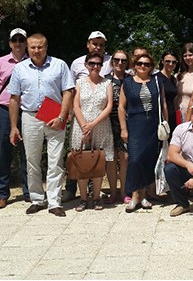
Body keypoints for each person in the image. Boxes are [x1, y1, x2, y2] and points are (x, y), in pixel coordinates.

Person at [8, 33, 75, 217]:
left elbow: (68, 91)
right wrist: (14, 127)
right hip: (30, 117)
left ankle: (54, 202)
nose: (36, 50)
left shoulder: (59, 65)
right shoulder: (20, 69)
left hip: (55, 115)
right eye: (33, 47)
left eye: (40, 47)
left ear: (46, 47)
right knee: (32, 160)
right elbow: (14, 98)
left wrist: (62, 116)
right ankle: (37, 199)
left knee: (56, 161)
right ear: (27, 49)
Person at [64, 30, 112, 202]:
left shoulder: (111, 61)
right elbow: (70, 91)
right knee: (78, 156)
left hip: (101, 119)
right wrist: (70, 114)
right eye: (94, 43)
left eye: (101, 44)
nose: (97, 47)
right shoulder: (76, 63)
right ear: (88, 44)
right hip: (80, 119)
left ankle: (95, 194)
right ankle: (73, 190)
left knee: (97, 156)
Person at [0, 28, 30, 208]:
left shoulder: (33, 62)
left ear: (26, 42)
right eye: (15, 40)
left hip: (26, 111)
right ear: (10, 43)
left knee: (28, 152)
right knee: (2, 152)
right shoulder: (0, 63)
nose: (18, 43)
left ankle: (29, 191)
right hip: (3, 110)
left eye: (21, 39)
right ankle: (2, 193)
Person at [118, 52, 167, 212]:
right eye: (139, 64)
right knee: (134, 160)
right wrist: (124, 129)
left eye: (146, 64)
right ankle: (134, 195)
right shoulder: (127, 82)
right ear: (134, 65)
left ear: (151, 67)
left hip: (152, 125)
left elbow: (163, 104)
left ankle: (144, 195)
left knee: (148, 160)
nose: (143, 66)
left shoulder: (157, 82)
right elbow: (121, 107)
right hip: (135, 124)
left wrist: (165, 126)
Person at [105, 50, 130, 203]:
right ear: (112, 61)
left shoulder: (131, 79)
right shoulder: (105, 80)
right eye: (116, 60)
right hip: (108, 122)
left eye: (123, 60)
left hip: (127, 123)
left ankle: (124, 192)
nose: (120, 63)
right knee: (111, 158)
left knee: (125, 157)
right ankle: (113, 192)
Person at [175, 43, 193, 122]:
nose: (187, 58)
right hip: (179, 114)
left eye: (190, 55)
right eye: (185, 56)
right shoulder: (179, 75)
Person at [156, 51, 180, 136]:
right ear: (162, 61)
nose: (171, 64)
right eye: (167, 61)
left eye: (174, 62)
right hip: (161, 116)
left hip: (172, 115)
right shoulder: (157, 78)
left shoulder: (173, 79)